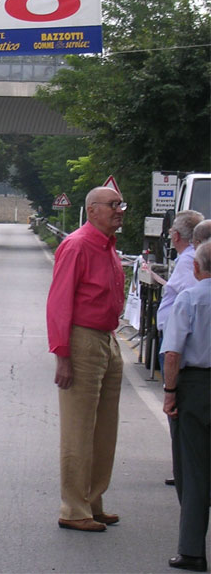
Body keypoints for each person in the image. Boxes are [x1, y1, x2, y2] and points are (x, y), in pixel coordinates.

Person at [46, 186, 127, 533]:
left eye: (120, 204)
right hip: (82, 339)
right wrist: (63, 355)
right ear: (92, 210)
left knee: (104, 428)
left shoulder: (109, 247)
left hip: (107, 339)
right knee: (79, 428)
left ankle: (93, 500)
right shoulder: (78, 245)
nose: (118, 210)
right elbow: (59, 301)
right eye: (112, 205)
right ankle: (73, 506)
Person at [161, 241, 211, 572]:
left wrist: (169, 392)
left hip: (197, 388)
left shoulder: (190, 298)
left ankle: (192, 550)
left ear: (196, 267)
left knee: (193, 470)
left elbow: (174, 353)